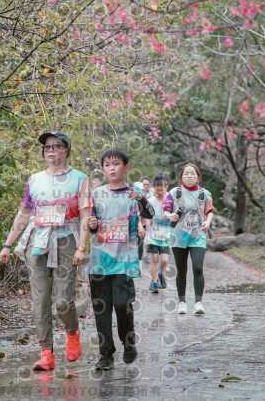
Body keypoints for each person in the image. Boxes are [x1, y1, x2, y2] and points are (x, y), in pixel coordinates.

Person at [0, 131, 90, 371]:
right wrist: (8, 244)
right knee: (40, 299)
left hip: (66, 239)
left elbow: (85, 216)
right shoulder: (35, 179)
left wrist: (82, 248)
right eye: (47, 147)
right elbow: (24, 213)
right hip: (37, 240)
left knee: (62, 301)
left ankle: (72, 333)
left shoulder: (80, 179)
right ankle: (46, 352)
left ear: (67, 151)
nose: (50, 150)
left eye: (57, 146)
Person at [88, 148, 155, 370]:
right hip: (99, 260)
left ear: (126, 168)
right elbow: (92, 223)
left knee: (122, 305)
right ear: (102, 170)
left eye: (116, 164)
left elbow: (150, 214)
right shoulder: (97, 193)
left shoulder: (135, 193)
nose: (112, 168)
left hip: (125, 260)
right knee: (101, 309)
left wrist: (142, 199)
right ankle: (105, 354)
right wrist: (92, 225)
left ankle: (128, 343)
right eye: (107, 165)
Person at [163, 163, 214, 315]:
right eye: (186, 173)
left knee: (198, 267)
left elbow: (209, 211)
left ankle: (198, 303)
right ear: (181, 177)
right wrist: (170, 215)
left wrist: (207, 222)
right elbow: (166, 209)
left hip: (198, 236)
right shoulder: (174, 192)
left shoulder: (205, 193)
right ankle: (182, 303)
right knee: (181, 269)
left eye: (192, 173)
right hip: (179, 236)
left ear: (198, 177)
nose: (189, 176)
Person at [146, 174, 172, 293]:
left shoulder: (170, 200)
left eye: (161, 190)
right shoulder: (151, 201)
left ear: (166, 187)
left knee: (165, 260)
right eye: (157, 190)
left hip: (166, 235)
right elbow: (148, 218)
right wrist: (147, 234)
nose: (159, 192)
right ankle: (154, 282)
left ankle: (161, 274)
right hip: (153, 235)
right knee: (154, 259)